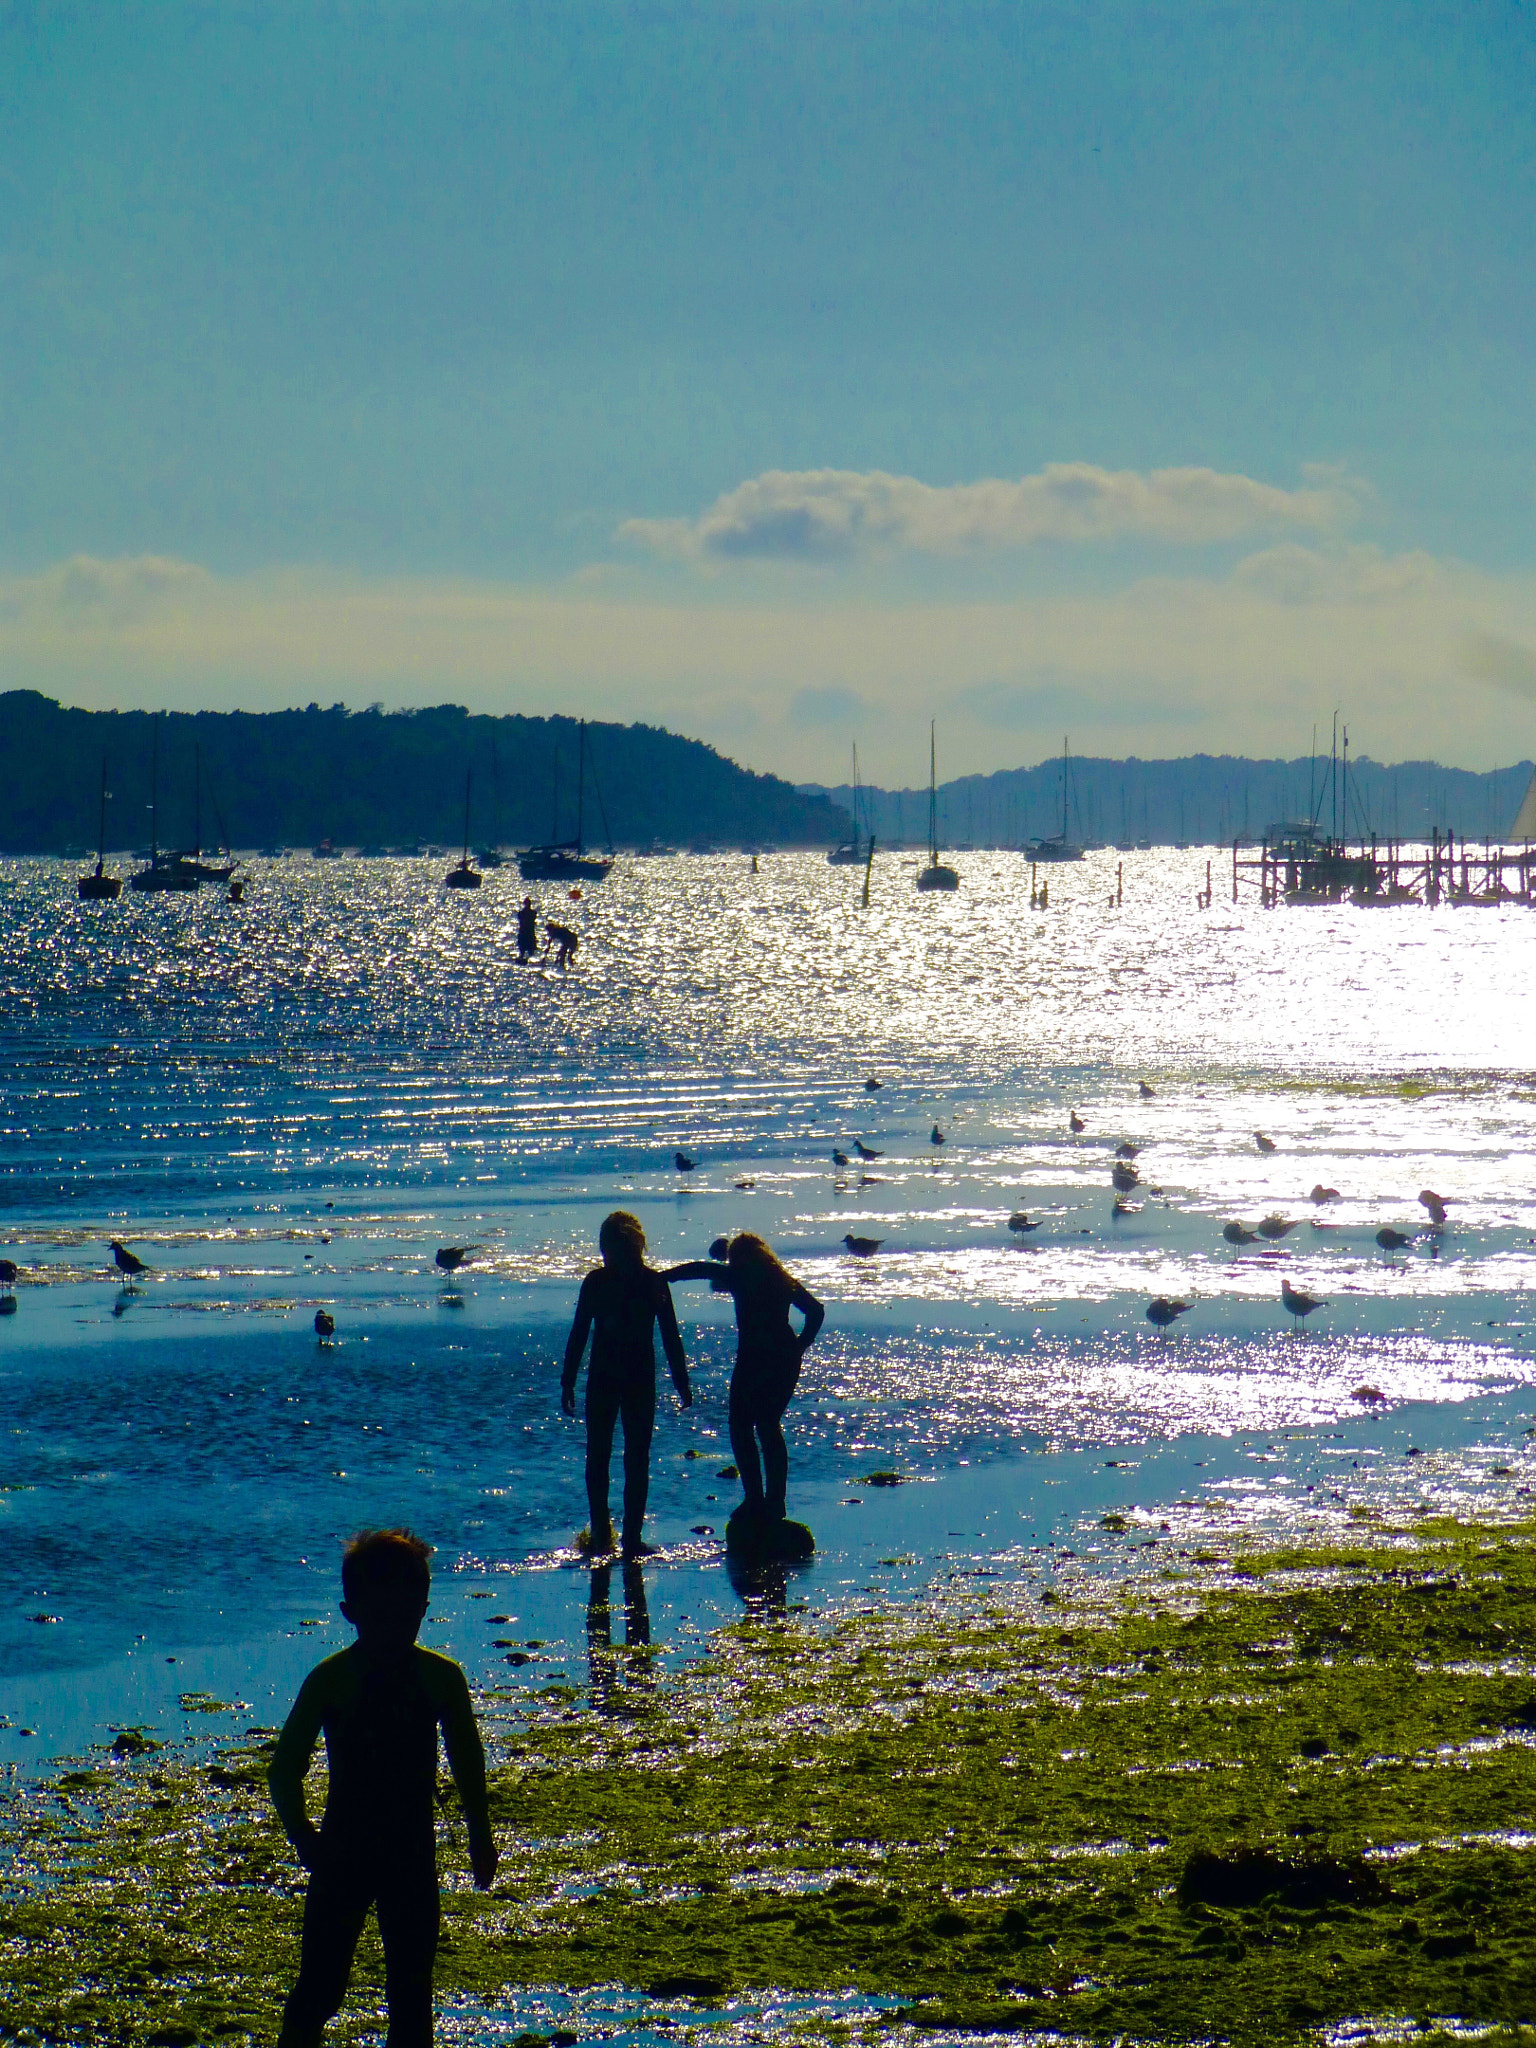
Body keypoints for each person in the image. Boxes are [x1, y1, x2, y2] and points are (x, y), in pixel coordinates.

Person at [267, 1528, 497, 2048]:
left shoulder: (441, 1679)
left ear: (424, 1609)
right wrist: (304, 1838)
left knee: (411, 1999)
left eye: (406, 1615)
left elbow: (468, 1764)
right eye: (383, 1617)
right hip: (343, 1855)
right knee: (321, 1991)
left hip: (410, 1857)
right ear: (351, 1613)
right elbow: (283, 1772)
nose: (396, 1629)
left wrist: (481, 1837)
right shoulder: (332, 1679)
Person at [665, 1233, 823, 1526]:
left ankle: (755, 1499)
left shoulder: (740, 1277)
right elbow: (816, 1311)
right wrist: (800, 1345)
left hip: (755, 1358)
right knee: (767, 1426)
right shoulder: (781, 1278)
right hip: (783, 1358)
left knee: (741, 1427)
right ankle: (773, 1502)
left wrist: (664, 1277)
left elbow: (703, 1269)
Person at [561, 1211, 691, 1557]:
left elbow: (580, 1334)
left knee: (609, 1457)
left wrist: (568, 1379)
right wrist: (568, 1379)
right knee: (627, 1457)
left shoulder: (619, 1283)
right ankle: (621, 1536)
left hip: (615, 1378)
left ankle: (613, 1536)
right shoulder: (641, 1282)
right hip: (629, 1378)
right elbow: (670, 1337)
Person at [516, 895, 538, 962]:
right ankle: (522, 960)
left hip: (529, 933)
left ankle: (529, 960)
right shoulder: (522, 913)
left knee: (530, 951)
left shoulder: (532, 913)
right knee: (523, 950)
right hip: (524, 933)